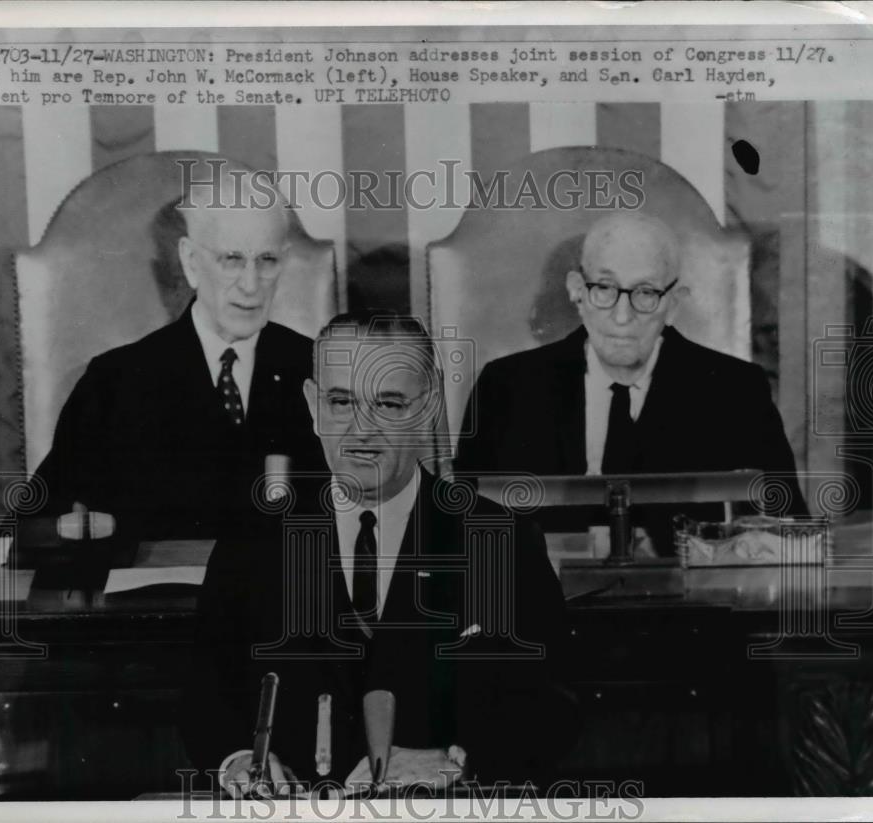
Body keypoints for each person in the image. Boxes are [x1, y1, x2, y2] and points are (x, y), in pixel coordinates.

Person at [183, 312, 569, 793]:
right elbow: (204, 699)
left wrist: (456, 763)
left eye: (388, 403)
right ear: (313, 405)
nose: (361, 431)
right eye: (341, 401)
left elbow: (555, 708)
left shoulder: (500, 540)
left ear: (429, 407)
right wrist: (239, 761)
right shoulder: (251, 542)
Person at [455, 212, 807, 546]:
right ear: (577, 290)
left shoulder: (736, 392)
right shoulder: (506, 389)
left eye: (646, 293)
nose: (622, 317)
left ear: (673, 304)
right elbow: (459, 532)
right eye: (605, 288)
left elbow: (788, 534)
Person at [24, 166, 323, 541]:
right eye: (232, 259)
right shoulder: (115, 383)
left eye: (267, 261)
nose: (251, 285)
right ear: (191, 261)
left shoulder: (321, 371)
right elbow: (34, 527)